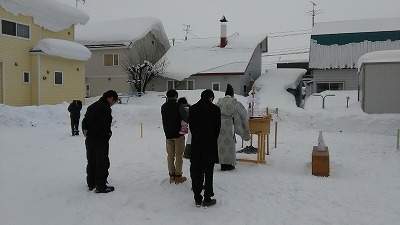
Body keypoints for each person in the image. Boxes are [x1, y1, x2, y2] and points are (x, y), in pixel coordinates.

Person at [82, 90, 118, 193]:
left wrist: (85, 130)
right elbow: (103, 125)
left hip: (90, 139)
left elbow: (85, 120)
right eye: (114, 101)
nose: (113, 104)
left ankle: (91, 183)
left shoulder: (92, 106)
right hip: (100, 140)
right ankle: (101, 186)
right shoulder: (105, 108)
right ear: (110, 98)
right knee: (102, 162)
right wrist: (108, 134)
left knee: (92, 161)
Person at [189, 89, 221, 207]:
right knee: (208, 171)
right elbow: (217, 128)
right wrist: (212, 138)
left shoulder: (193, 109)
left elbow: (191, 127)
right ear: (210, 97)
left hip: (197, 144)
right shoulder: (216, 109)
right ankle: (207, 197)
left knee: (196, 170)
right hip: (210, 144)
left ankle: (197, 197)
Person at [216, 84, 250, 171]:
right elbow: (243, 113)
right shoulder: (234, 101)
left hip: (219, 124)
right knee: (229, 145)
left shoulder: (219, 101)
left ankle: (223, 164)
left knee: (221, 145)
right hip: (228, 125)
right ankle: (228, 164)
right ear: (232, 94)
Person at [161, 90, 189, 184]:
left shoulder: (163, 107)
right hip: (178, 134)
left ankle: (171, 175)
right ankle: (178, 176)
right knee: (179, 155)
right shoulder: (179, 106)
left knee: (170, 155)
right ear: (176, 96)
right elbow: (186, 118)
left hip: (168, 134)